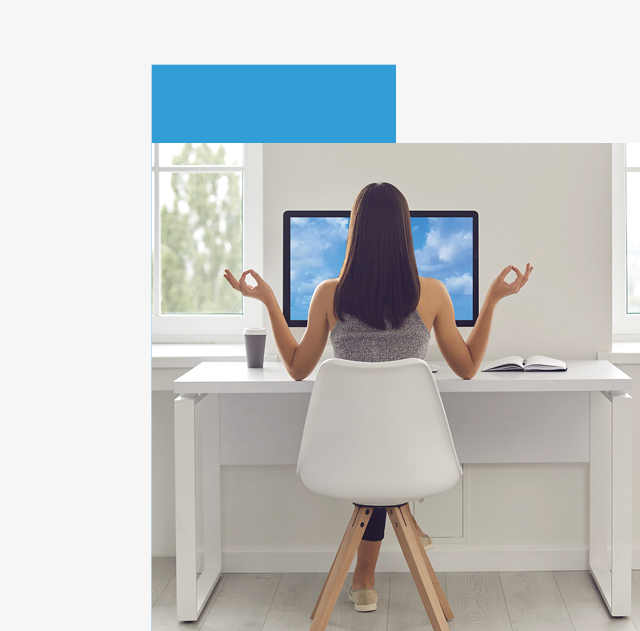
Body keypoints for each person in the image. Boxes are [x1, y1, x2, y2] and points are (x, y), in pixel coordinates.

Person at [224, 182, 532, 612]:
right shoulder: (434, 293)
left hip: (346, 452)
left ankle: (364, 580)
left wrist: (270, 302)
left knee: (373, 455)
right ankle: (398, 523)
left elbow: (296, 369)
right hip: (410, 453)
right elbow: (466, 367)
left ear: (356, 233)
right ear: (405, 233)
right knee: (387, 458)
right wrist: (493, 301)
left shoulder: (329, 294)